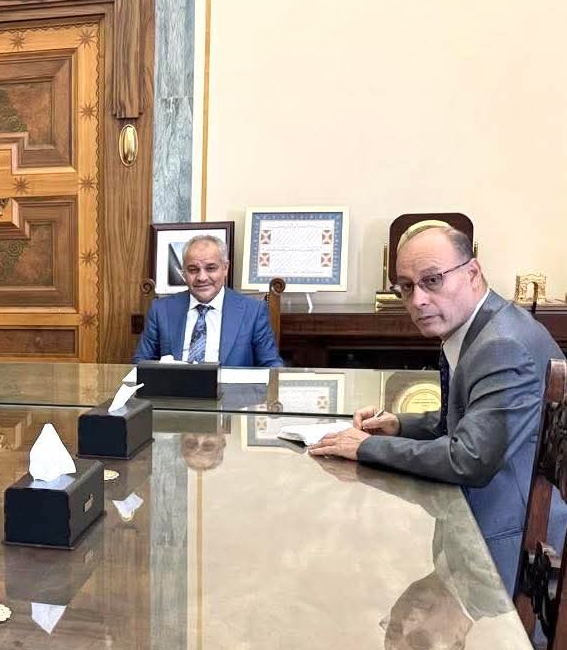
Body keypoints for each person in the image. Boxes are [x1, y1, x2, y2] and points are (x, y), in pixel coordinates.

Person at [308, 226, 566, 592]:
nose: (417, 300)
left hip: (508, 549)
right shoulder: (480, 326)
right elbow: (470, 419)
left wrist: (367, 447)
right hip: (487, 523)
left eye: (432, 281)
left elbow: (469, 459)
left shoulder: (502, 346)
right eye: (406, 287)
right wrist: (399, 425)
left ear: (472, 273)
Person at [134, 235, 284, 367]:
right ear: (183, 273)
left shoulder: (253, 311)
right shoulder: (161, 309)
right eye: (193, 270)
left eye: (211, 268)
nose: (202, 277)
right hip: (174, 389)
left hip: (232, 390)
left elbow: (272, 366)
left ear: (225, 268)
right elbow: (141, 363)